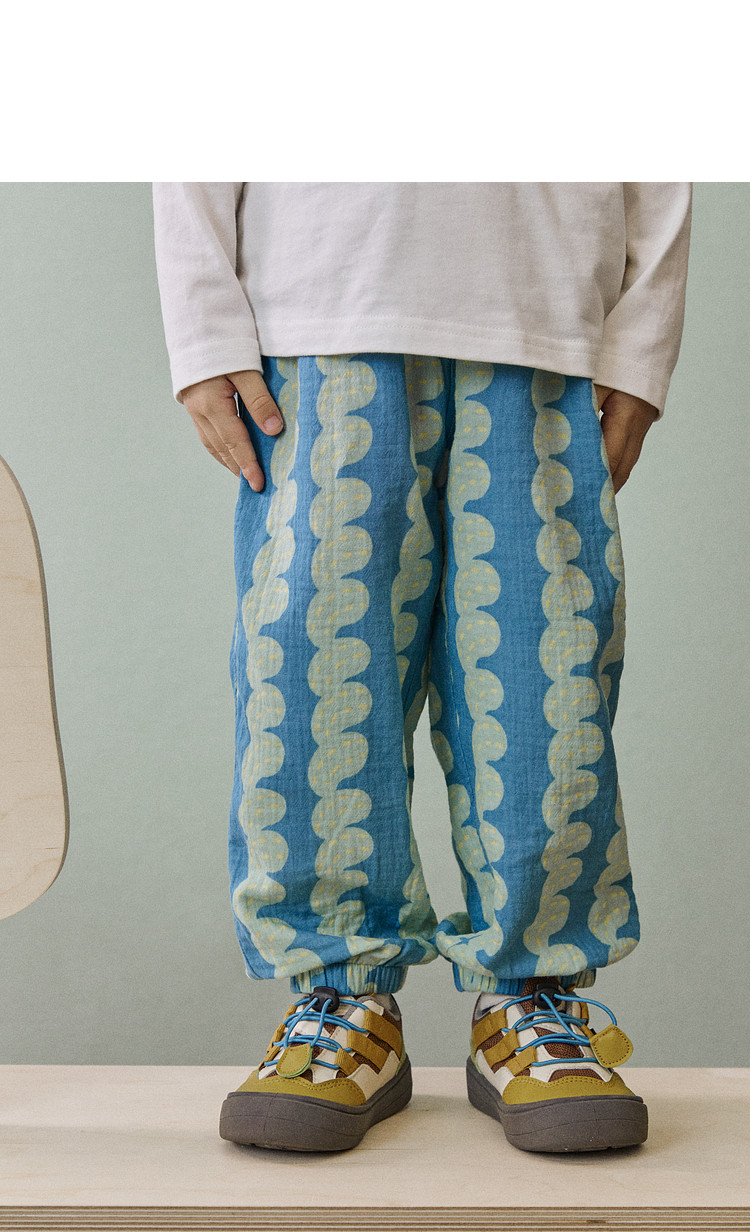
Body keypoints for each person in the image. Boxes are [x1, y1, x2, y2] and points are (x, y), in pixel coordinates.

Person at [151, 182, 692, 1155]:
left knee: (546, 682)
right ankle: (341, 993)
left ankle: (530, 994)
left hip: (544, 313)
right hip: (321, 308)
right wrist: (202, 324)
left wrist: (642, 342)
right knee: (313, 674)